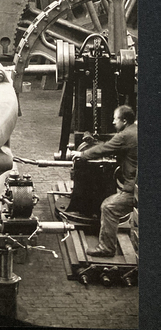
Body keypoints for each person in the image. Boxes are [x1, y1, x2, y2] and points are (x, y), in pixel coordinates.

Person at [70, 105, 137, 257]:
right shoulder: (135, 130)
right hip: (137, 183)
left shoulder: (125, 136)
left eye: (115, 119)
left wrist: (82, 154)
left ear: (124, 121)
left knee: (108, 207)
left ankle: (106, 248)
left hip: (135, 189)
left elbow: (104, 148)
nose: (113, 122)